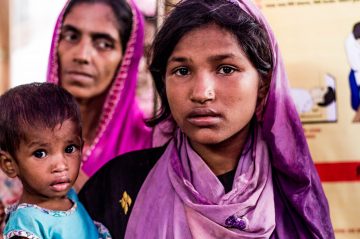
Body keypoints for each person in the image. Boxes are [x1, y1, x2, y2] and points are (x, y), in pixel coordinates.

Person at [79, 0, 335, 238]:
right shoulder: (118, 185)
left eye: (226, 69)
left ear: (263, 83)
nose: (202, 93)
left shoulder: (294, 200)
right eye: (182, 71)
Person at [47, 0, 153, 190]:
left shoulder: (151, 144)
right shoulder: (18, 131)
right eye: (71, 36)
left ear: (126, 59)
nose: (82, 55)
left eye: (104, 44)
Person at [0, 83, 111, 238]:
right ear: (9, 164)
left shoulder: (71, 196)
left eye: (70, 149)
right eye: (40, 153)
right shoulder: (27, 226)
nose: (61, 166)